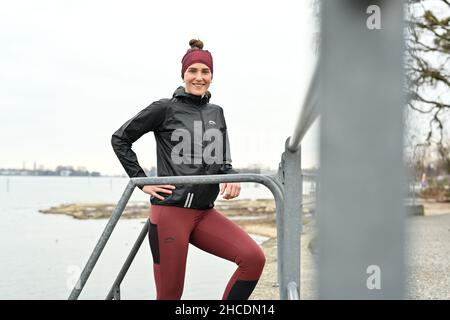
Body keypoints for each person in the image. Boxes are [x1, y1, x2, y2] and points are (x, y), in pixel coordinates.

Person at [111, 39, 266, 300]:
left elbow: (222, 162)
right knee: (171, 295)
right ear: (183, 74)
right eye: (193, 71)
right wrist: (141, 180)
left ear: (212, 76)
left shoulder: (217, 112)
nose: (199, 77)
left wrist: (231, 176)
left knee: (253, 258)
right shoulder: (164, 108)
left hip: (204, 213)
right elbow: (120, 139)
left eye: (205, 72)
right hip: (170, 213)